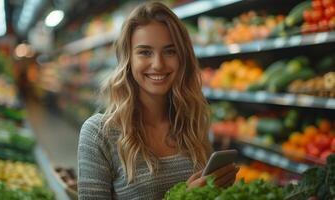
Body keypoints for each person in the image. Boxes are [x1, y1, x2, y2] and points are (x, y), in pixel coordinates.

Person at [78, 2, 239, 199]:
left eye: (170, 51)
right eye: (145, 52)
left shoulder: (192, 124)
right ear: (128, 60)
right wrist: (183, 196)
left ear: (182, 57)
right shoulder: (98, 134)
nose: (158, 64)